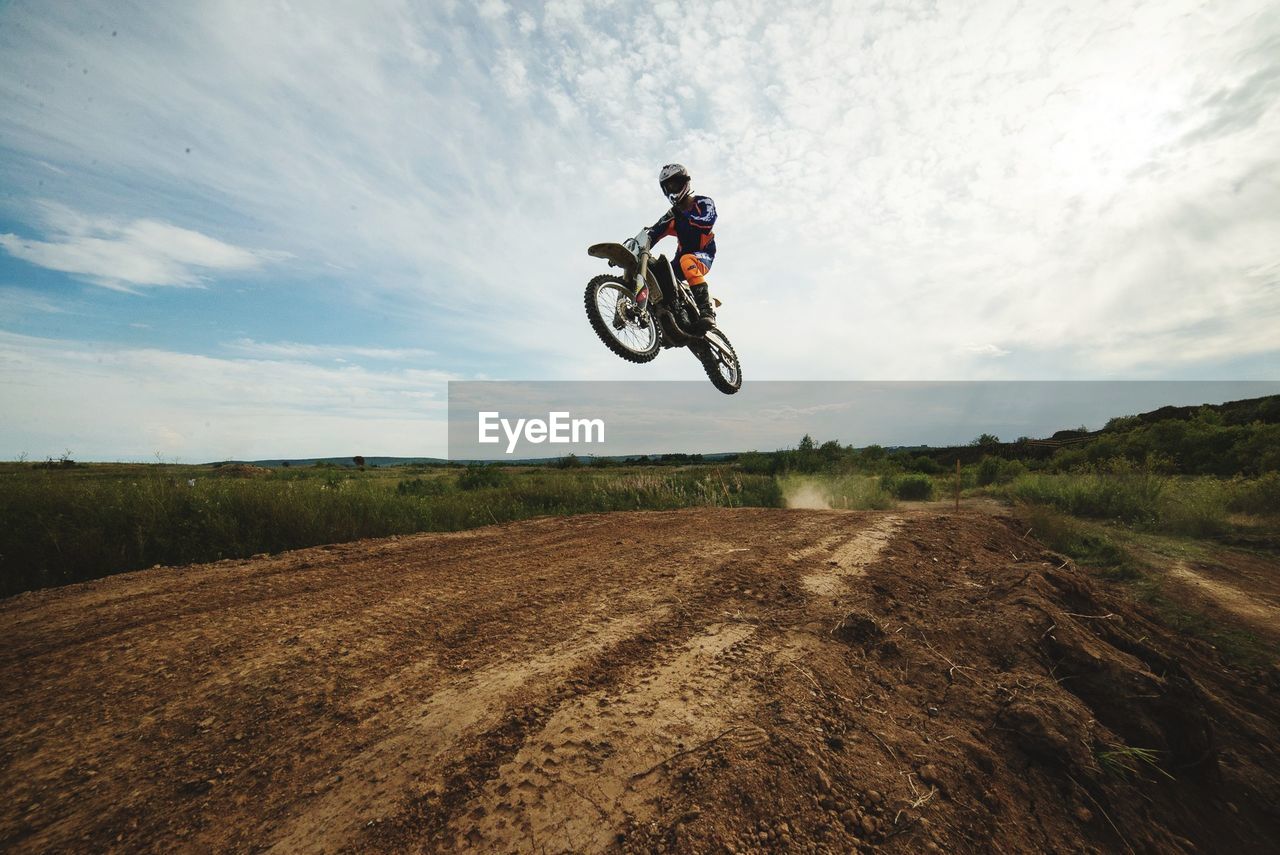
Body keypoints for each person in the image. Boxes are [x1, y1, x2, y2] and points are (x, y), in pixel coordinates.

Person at [624, 163, 718, 329]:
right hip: (681, 260)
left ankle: (706, 311)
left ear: (684, 182)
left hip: (703, 255)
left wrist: (683, 215)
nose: (672, 189)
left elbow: (707, 221)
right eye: (668, 187)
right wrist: (634, 249)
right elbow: (653, 234)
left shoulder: (703, 202)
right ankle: (667, 317)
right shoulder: (672, 216)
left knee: (686, 260)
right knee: (659, 273)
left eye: (675, 184)